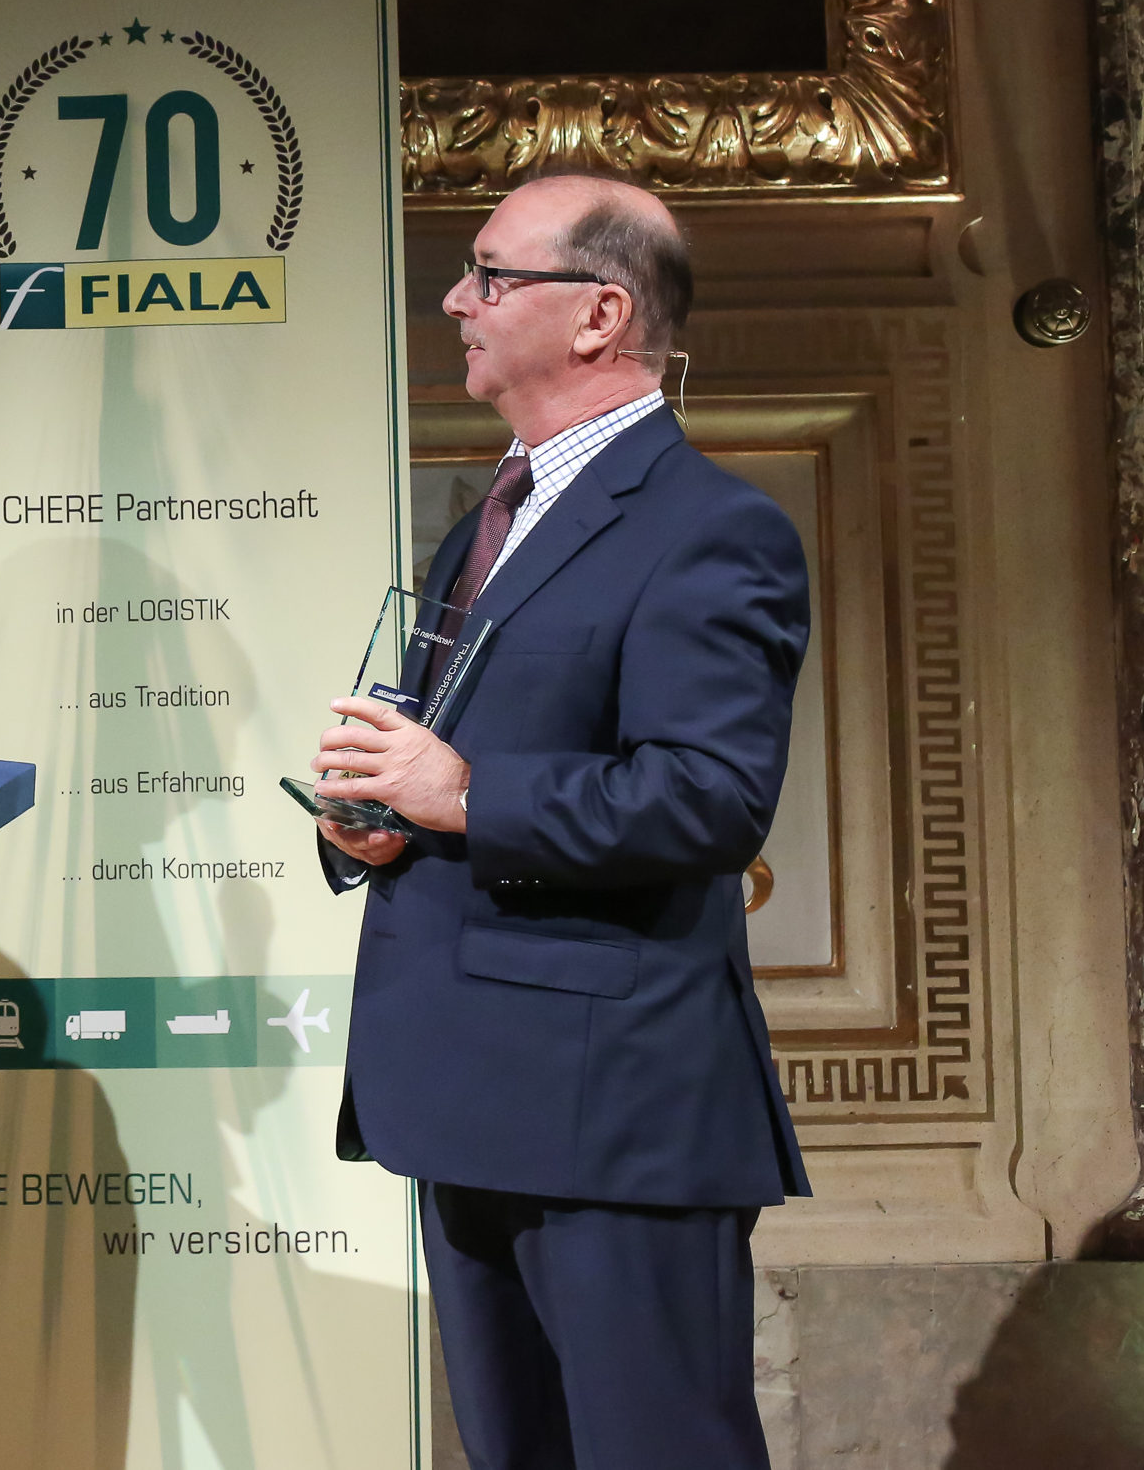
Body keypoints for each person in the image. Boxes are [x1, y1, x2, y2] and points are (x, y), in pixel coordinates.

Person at [311, 171, 809, 1468]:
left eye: (491, 274)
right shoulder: (493, 517)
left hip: (612, 1109)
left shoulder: (713, 528)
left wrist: (466, 795)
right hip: (464, 1087)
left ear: (598, 314)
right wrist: (382, 820)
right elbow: (453, 769)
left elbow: (710, 797)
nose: (455, 300)